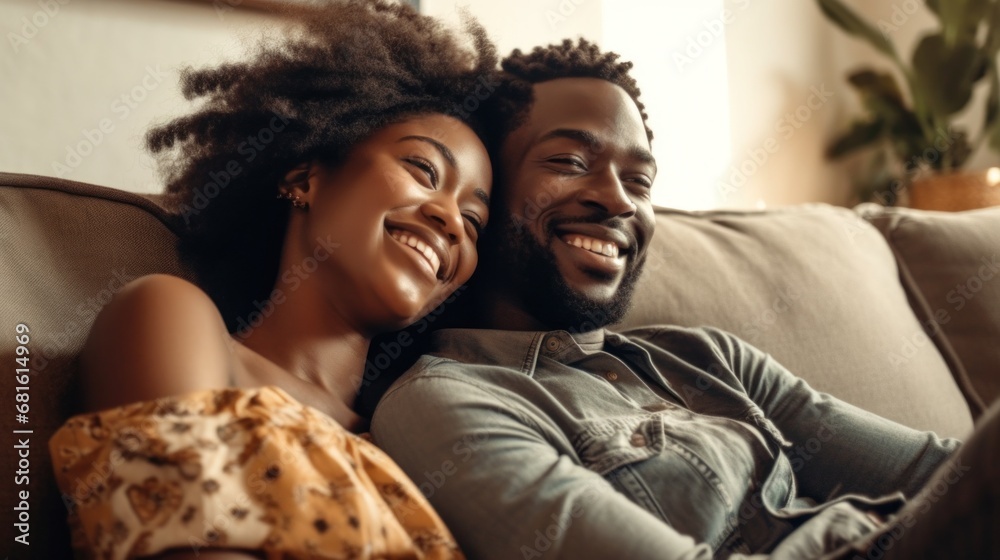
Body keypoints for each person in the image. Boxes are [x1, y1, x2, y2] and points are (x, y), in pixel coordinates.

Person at [370, 39, 1000, 559]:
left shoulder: (706, 357)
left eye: (638, 180)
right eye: (568, 159)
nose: (617, 199)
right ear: (486, 188)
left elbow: (941, 473)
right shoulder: (443, 401)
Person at [47, 2, 501, 558]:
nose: (452, 220)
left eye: (474, 222)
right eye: (423, 171)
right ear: (303, 177)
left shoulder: (427, 435)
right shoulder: (170, 315)